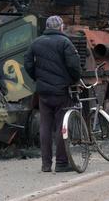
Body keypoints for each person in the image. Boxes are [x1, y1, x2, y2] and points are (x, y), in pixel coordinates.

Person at [24, 15, 81, 173]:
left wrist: (37, 77)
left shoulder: (36, 42)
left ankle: (46, 164)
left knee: (45, 126)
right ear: (61, 27)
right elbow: (74, 66)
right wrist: (74, 79)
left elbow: (27, 62)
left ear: (47, 27)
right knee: (62, 126)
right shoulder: (65, 42)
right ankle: (62, 163)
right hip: (61, 91)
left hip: (43, 92)